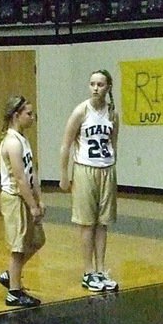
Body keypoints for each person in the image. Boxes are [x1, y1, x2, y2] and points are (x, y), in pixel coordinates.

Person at [59, 69, 120, 292]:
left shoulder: (112, 113)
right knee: (87, 223)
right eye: (92, 83)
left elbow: (114, 143)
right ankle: (88, 272)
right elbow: (66, 144)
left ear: (108, 87)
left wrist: (113, 167)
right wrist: (64, 175)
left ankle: (101, 269)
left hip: (106, 170)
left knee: (103, 223)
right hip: (85, 170)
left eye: (100, 84)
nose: (95, 88)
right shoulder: (80, 112)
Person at [0, 95, 46, 308]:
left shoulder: (22, 138)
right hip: (14, 199)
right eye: (29, 113)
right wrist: (32, 206)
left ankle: (10, 275)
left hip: (25, 197)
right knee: (18, 247)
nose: (32, 117)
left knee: (37, 239)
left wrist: (38, 198)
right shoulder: (11, 142)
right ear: (17, 115)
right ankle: (14, 293)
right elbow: (19, 178)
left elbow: (31, 171)